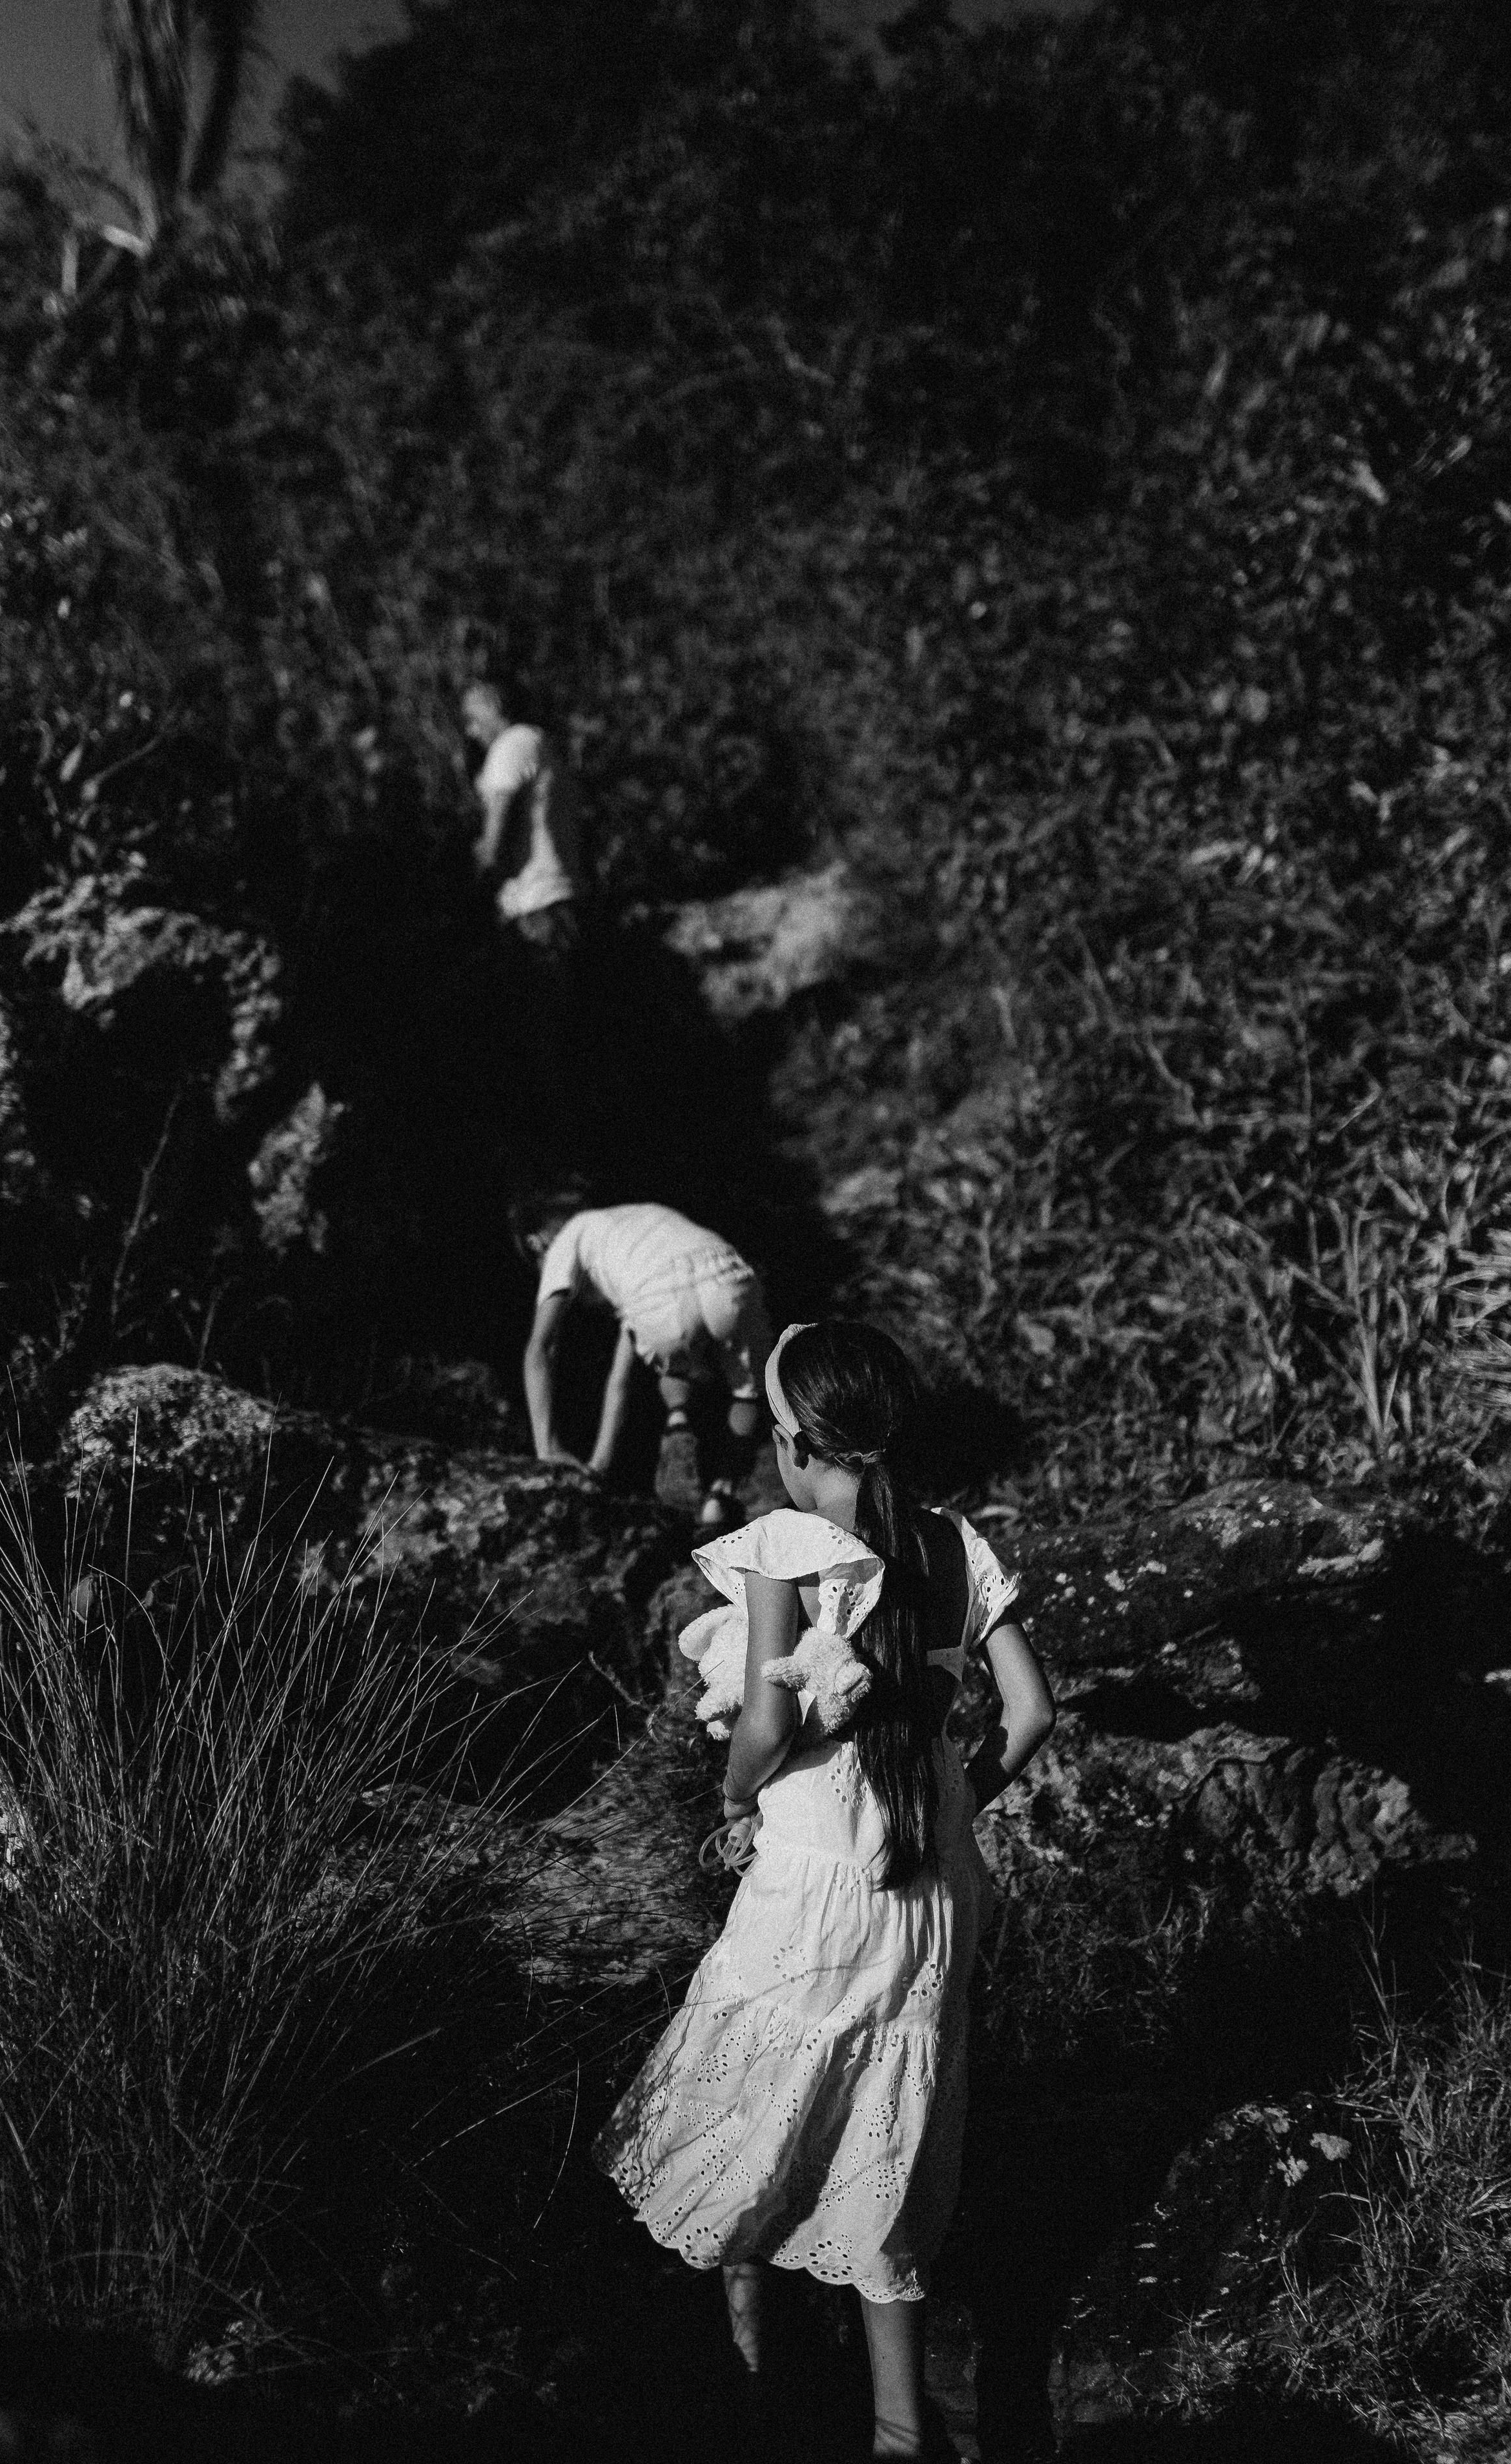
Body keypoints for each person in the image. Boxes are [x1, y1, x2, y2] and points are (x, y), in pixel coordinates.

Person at [593, 1320, 1056, 2461]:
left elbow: (763, 1717)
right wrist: (956, 1802)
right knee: (882, 2137)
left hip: (812, 1881)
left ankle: (756, 2381)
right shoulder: (955, 1545)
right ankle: (905, 2432)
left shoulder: (783, 1545)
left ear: (796, 1443)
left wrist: (739, 1791)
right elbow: (1033, 1714)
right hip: (928, 1892)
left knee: (752, 2109)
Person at [513, 1193, 772, 1529]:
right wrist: (599, 1465)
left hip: (657, 1301)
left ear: (536, 1242)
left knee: (675, 1357)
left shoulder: (568, 1237)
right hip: (729, 1275)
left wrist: (549, 1451)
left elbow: (541, 1348)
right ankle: (720, 1496)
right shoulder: (640, 1225)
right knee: (748, 1392)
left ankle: (679, 1421)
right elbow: (619, 1379)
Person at [460, 675, 587, 1119]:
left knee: (538, 1037)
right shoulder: (542, 743)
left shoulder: (512, 747)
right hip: (557, 899)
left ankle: (560, 1155)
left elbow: (493, 844)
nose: (472, 731)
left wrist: (467, 891)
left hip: (535, 906)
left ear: (494, 708)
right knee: (556, 1032)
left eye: (474, 719)